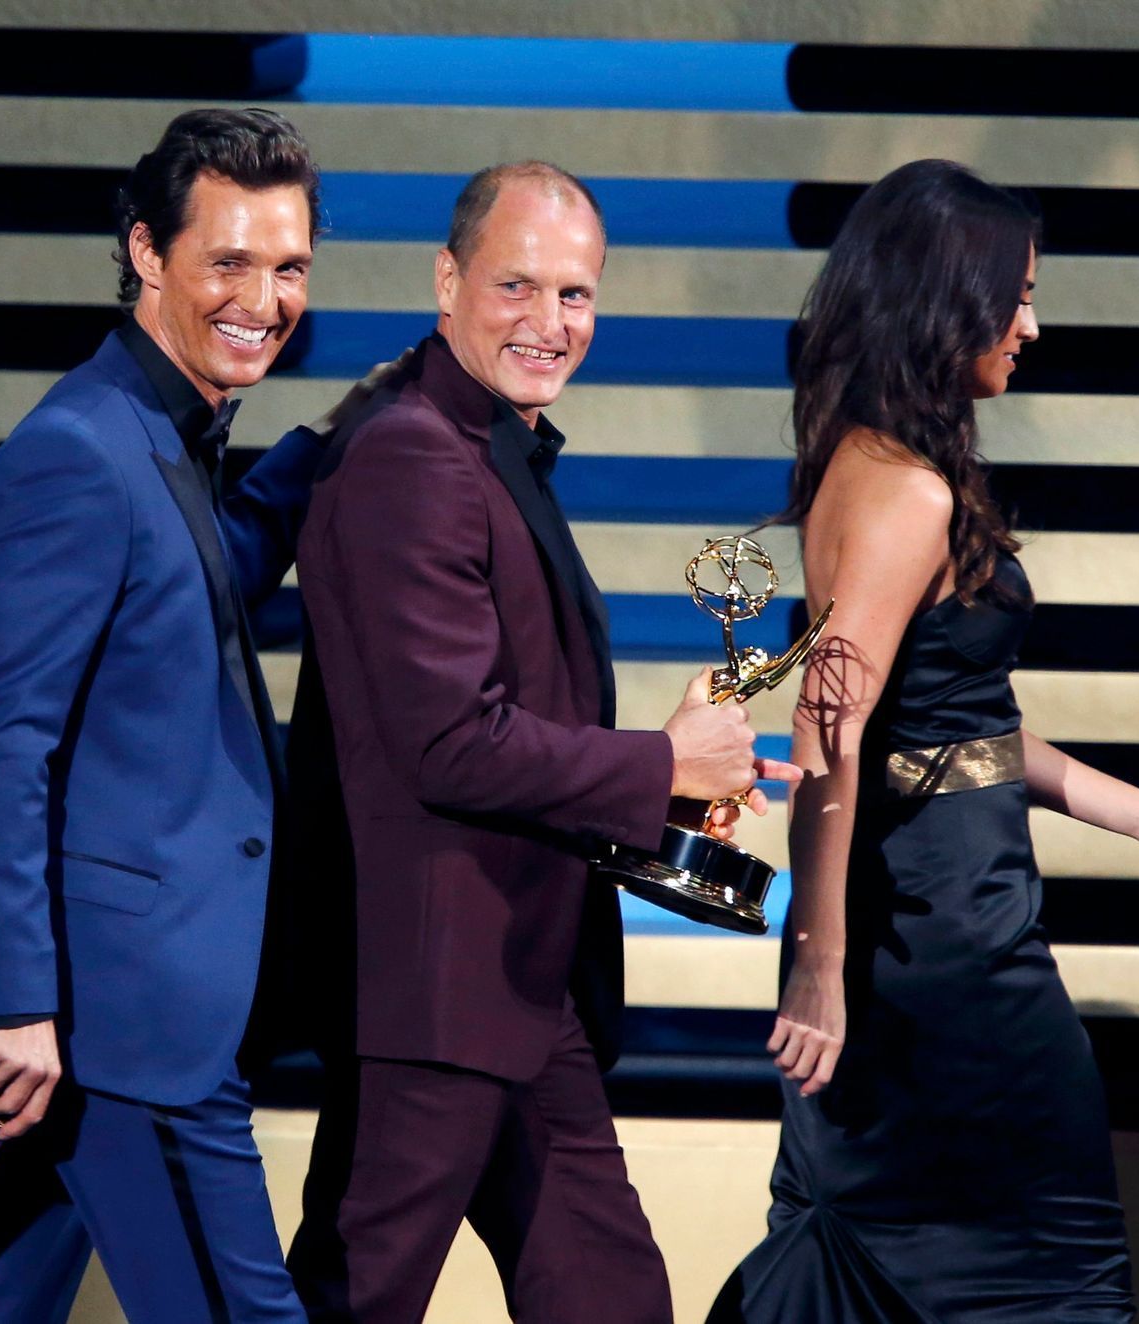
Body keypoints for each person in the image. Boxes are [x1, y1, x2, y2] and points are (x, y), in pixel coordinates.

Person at [709, 159, 1139, 1323]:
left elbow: (956, 722)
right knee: (1047, 1267)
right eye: (1011, 295)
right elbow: (830, 728)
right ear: (941, 300)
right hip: (939, 938)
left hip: (930, 910)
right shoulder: (903, 489)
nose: (1031, 322)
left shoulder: (878, 463)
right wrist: (816, 958)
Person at [0, 107, 399, 1323]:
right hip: (104, 1021)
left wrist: (333, 439)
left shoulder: (165, 435)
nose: (264, 298)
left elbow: (195, 570)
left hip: (92, 1009)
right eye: (228, 261)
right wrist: (14, 1002)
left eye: (287, 268)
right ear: (145, 251)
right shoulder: (73, 452)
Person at [281, 161, 799, 1324]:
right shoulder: (413, 454)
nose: (548, 322)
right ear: (447, 278)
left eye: (575, 294)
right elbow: (447, 743)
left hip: (515, 975)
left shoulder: (481, 447)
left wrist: (668, 789)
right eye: (517, 286)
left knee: (607, 1295)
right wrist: (658, 764)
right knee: (353, 1299)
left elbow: (496, 719)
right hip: (428, 988)